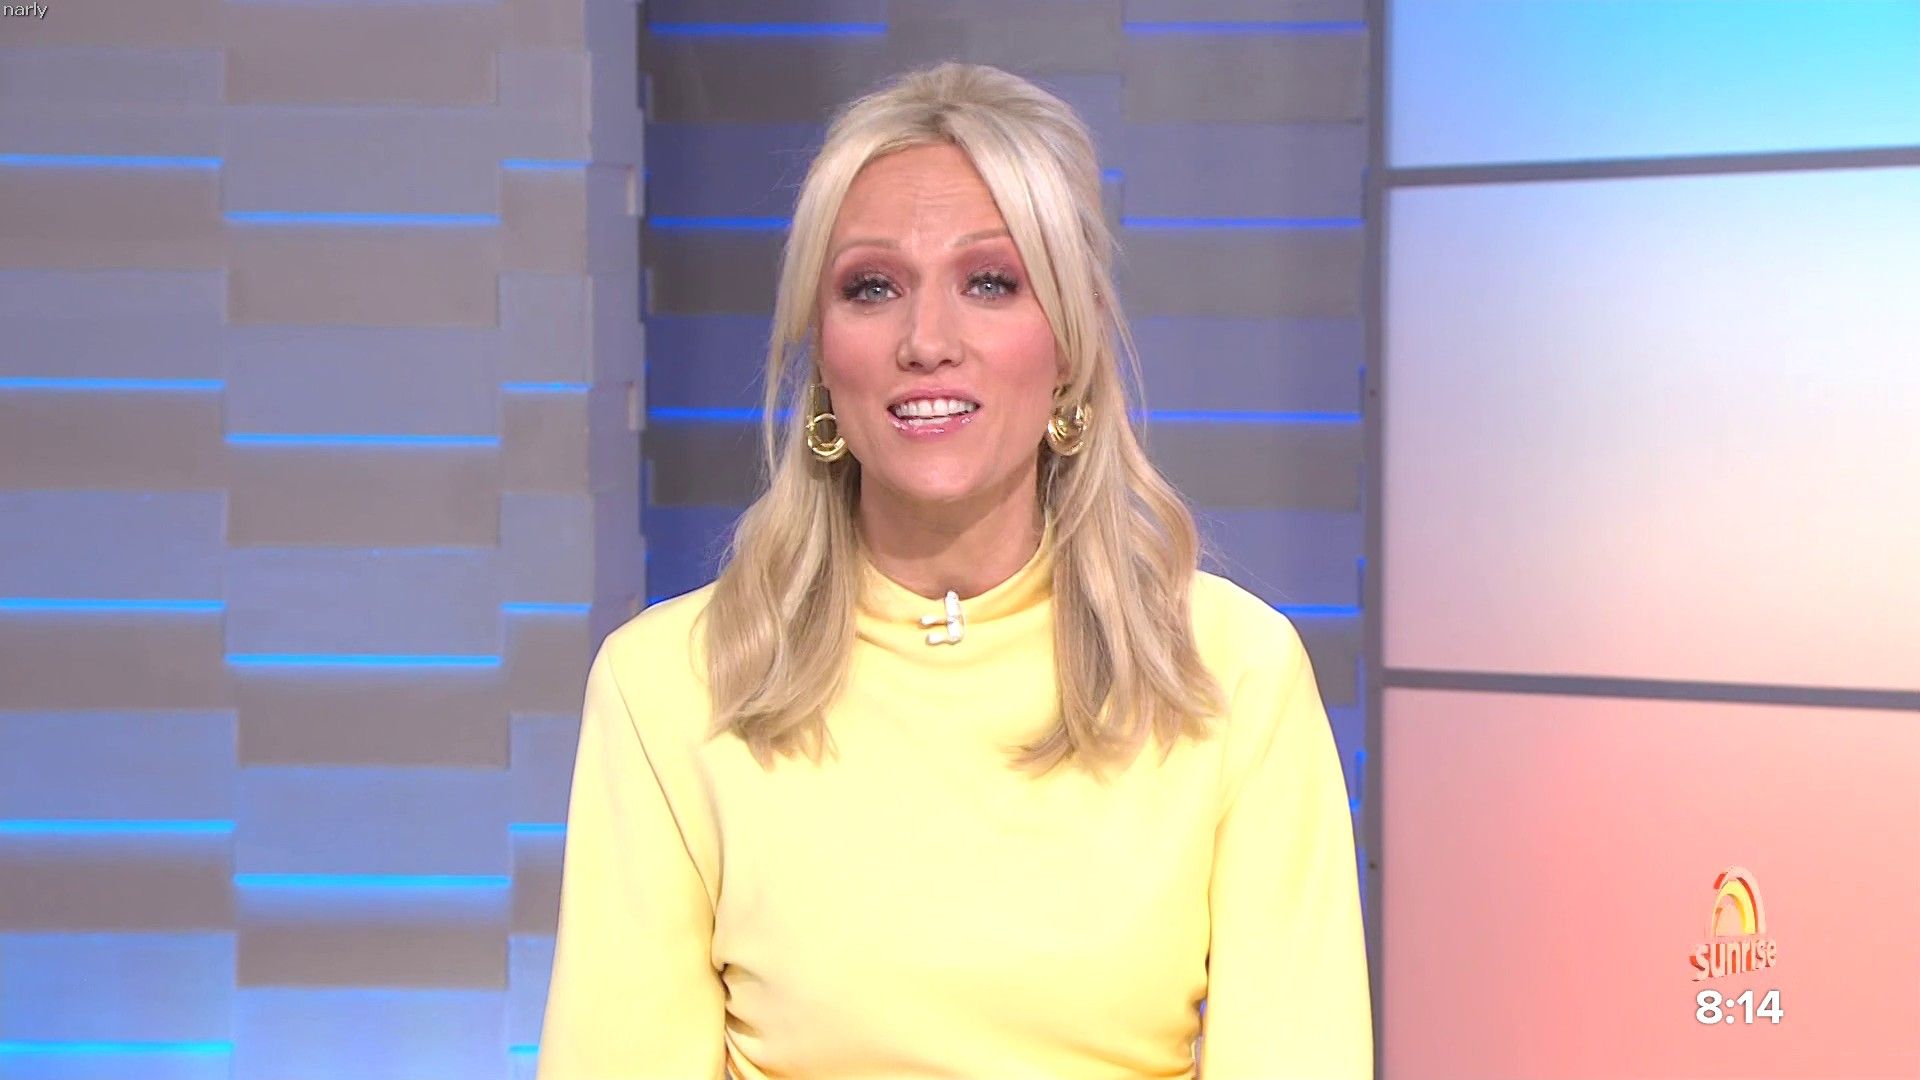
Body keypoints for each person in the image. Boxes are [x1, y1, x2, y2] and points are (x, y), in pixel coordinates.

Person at [535, 61, 1372, 1080]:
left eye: (989, 283)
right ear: (821, 351)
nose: (926, 342)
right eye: (872, 288)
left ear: (1070, 344)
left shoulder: (1233, 674)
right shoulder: (670, 684)